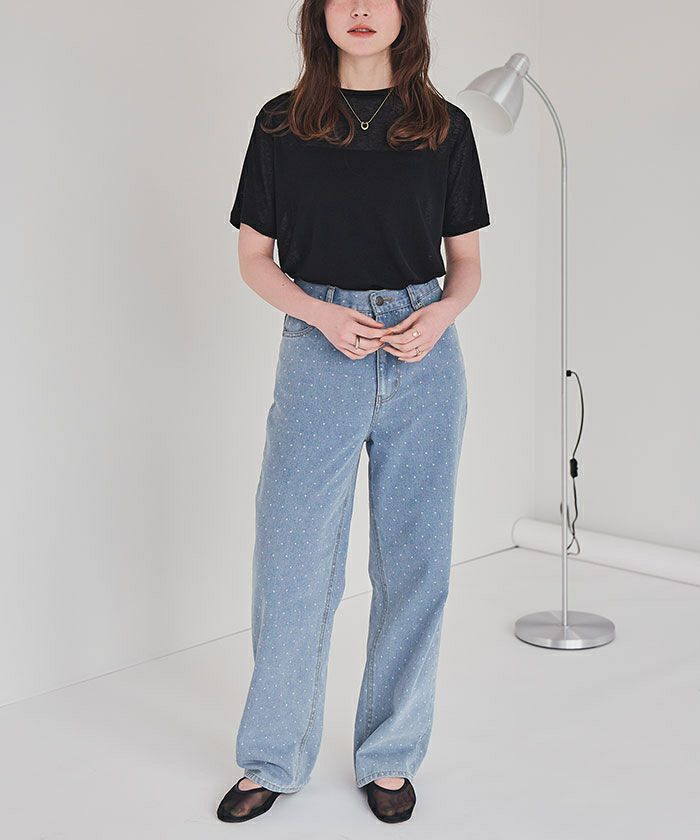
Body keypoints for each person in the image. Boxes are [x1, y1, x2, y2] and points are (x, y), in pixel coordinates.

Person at [217, 0, 490, 824]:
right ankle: (273, 757)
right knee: (292, 566)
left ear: (408, 14)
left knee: (416, 566)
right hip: (318, 350)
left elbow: (466, 263)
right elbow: (254, 258)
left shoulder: (445, 127)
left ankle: (391, 755)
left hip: (422, 354)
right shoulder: (282, 123)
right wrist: (321, 314)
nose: (362, 8)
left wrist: (440, 316)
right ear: (319, 14)